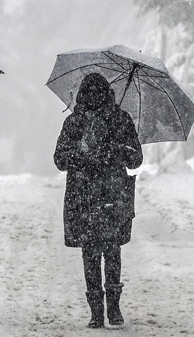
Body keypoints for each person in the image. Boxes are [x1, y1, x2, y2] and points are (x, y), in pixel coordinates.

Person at [54, 72, 143, 328]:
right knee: (90, 254)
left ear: (106, 94)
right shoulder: (74, 123)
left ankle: (113, 309)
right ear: (82, 95)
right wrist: (81, 151)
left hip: (112, 196)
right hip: (83, 197)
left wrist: (112, 148)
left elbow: (136, 158)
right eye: (88, 93)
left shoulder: (120, 119)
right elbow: (60, 159)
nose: (93, 98)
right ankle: (96, 312)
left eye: (97, 93)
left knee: (112, 251)